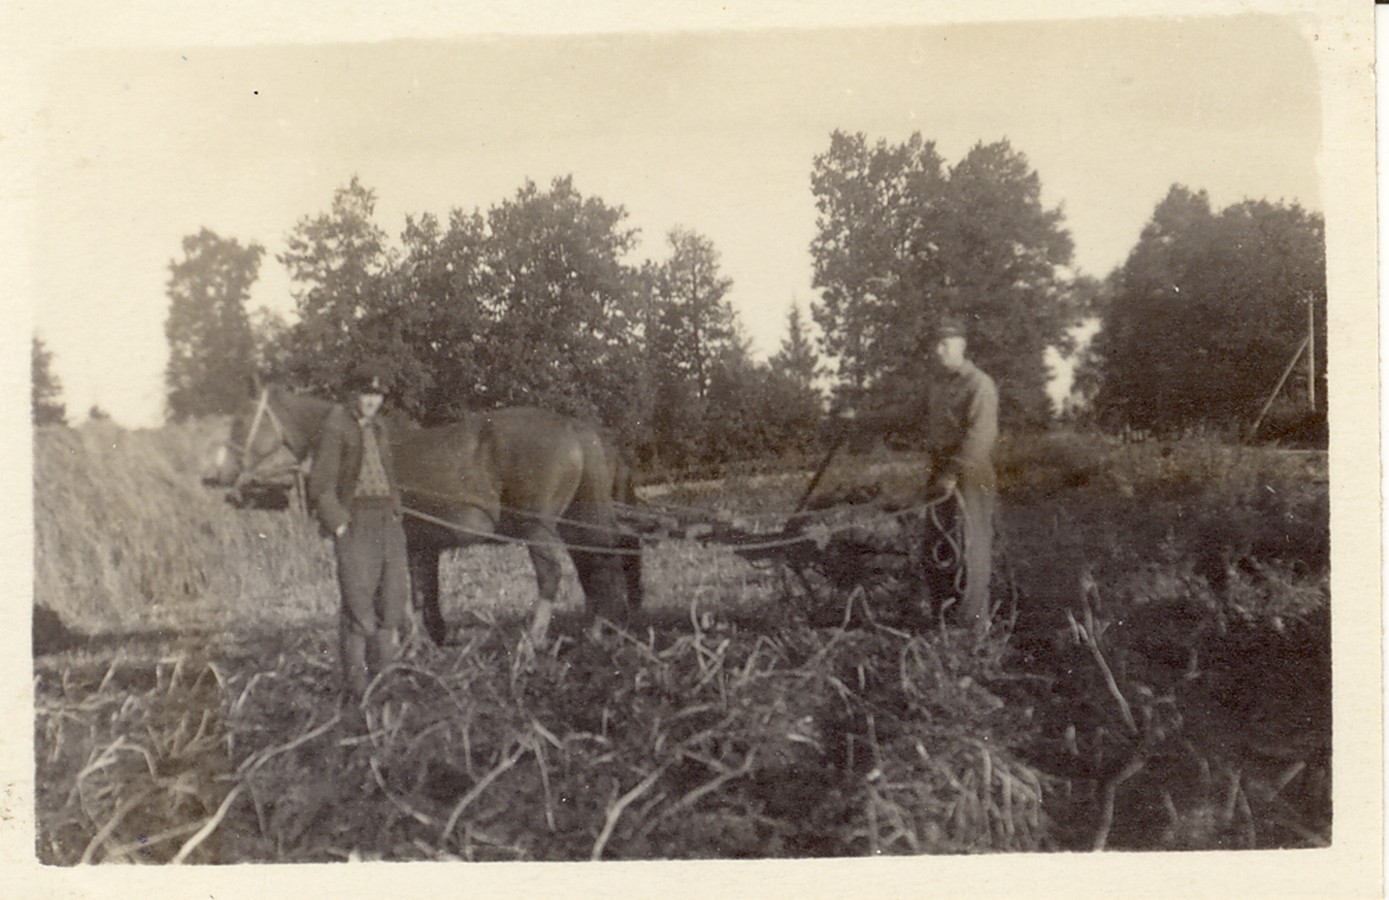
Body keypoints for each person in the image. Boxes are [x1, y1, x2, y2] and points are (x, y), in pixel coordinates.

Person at [832, 317, 999, 631]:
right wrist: (861, 420)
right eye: (935, 344)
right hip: (941, 471)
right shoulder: (936, 385)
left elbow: (980, 437)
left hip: (970, 472)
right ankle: (942, 618)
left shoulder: (979, 385)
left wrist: (952, 473)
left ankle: (974, 627)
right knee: (937, 546)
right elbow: (904, 415)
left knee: (970, 548)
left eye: (945, 344)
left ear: (961, 346)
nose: (938, 351)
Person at [308, 366, 410, 703]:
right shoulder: (336, 428)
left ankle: (385, 682)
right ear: (354, 395)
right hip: (356, 523)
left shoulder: (380, 429)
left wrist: (396, 509)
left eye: (377, 396)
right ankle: (356, 689)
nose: (371, 401)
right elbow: (321, 486)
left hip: (386, 522)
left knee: (391, 598)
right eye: (366, 394)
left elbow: (390, 475)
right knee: (358, 604)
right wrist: (339, 525)